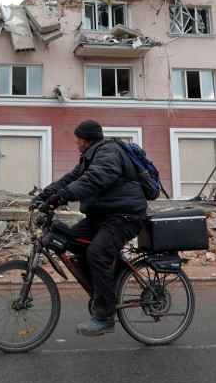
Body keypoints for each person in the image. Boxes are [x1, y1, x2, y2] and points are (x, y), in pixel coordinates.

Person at [33, 120, 147, 336]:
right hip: (102, 216)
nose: (76, 142)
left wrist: (64, 197)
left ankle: (105, 316)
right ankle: (107, 286)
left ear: (84, 140)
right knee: (71, 240)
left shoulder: (109, 153)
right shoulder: (91, 156)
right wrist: (45, 195)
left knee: (97, 252)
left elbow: (96, 179)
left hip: (125, 216)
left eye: (77, 139)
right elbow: (72, 178)